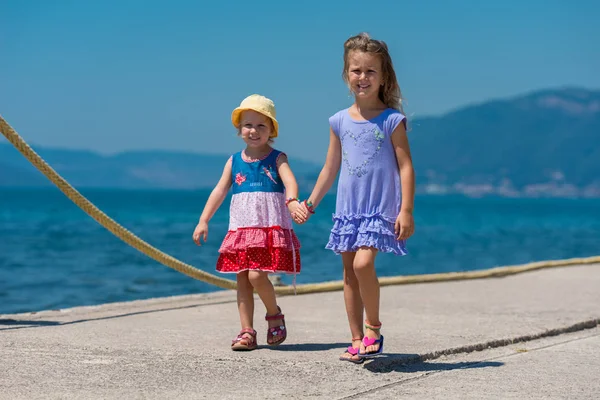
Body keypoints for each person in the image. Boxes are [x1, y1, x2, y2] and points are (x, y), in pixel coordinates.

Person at [299, 33, 416, 363]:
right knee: (349, 273)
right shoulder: (338, 121)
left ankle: (373, 330)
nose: (362, 78)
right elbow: (330, 168)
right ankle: (355, 339)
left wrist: (406, 210)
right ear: (345, 74)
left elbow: (406, 166)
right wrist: (310, 204)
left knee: (364, 264)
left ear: (383, 77)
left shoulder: (392, 120)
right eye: (356, 71)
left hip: (379, 208)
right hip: (348, 209)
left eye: (370, 71)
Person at [193, 94, 307, 351]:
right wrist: (204, 220)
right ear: (239, 128)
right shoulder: (233, 160)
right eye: (248, 125)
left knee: (257, 275)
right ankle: (247, 331)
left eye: (261, 126)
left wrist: (292, 201)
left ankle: (274, 313)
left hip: (267, 227)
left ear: (271, 131)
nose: (253, 131)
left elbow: (290, 181)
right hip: (242, 228)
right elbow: (220, 190)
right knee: (242, 278)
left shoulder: (277, 158)